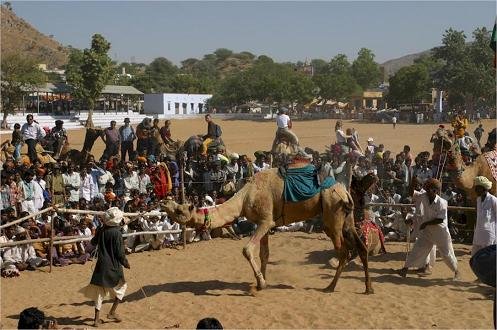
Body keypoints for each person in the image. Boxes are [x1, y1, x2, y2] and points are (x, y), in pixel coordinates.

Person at [398, 178, 460, 280]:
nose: (427, 191)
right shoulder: (423, 196)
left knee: (446, 254)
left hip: (440, 233)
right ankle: (405, 269)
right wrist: (413, 183)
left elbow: (440, 220)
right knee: (417, 249)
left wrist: (425, 223)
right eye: (426, 188)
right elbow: (411, 193)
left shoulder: (442, 202)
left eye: (429, 189)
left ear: (435, 190)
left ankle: (457, 272)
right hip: (427, 232)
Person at [80, 207, 130, 327]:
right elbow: (119, 253)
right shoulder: (116, 233)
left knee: (99, 293)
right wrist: (125, 262)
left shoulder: (101, 230)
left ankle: (96, 319)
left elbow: (92, 243)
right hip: (114, 266)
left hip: (101, 266)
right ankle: (112, 312)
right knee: (121, 288)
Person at [471, 176, 497, 256]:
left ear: (483, 188)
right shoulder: (478, 200)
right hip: (478, 234)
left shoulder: (493, 200)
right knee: (474, 256)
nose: (475, 190)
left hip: (489, 236)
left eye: (477, 188)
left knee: (487, 258)